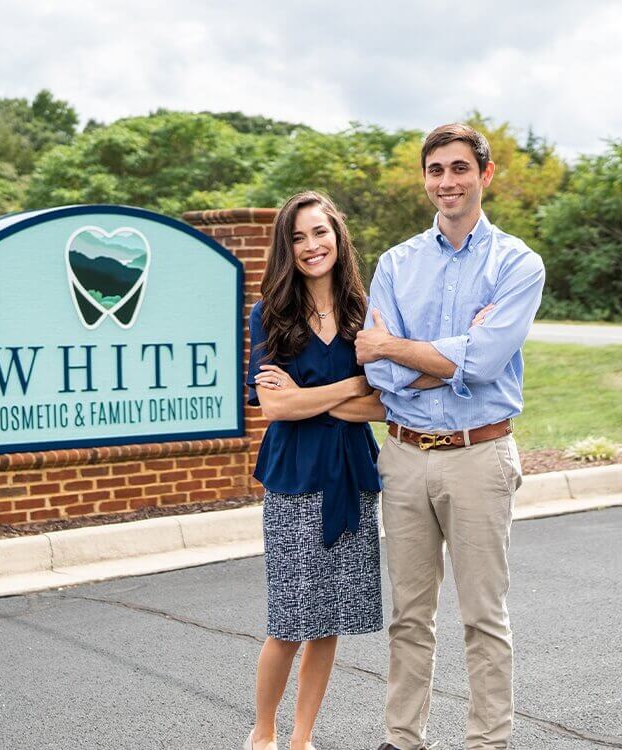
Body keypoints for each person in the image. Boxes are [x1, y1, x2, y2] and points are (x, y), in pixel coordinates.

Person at [358, 124, 546, 750]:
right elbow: (375, 366)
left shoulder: (517, 264)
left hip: (479, 455)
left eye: (460, 168)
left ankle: (487, 743)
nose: (447, 182)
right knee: (408, 617)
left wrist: (403, 349)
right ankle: (402, 739)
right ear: (425, 179)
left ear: (484, 175)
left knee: (482, 617)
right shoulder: (395, 264)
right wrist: (447, 355)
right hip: (405, 457)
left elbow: (487, 360)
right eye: (436, 170)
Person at [245, 190, 387, 750]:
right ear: (287, 247)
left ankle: (303, 738)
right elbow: (276, 407)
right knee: (287, 623)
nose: (311, 246)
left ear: (338, 236)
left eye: (320, 233)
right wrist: (354, 385)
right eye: (298, 237)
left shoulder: (366, 312)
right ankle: (264, 734)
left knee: (328, 622)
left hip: (351, 478)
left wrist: (312, 394)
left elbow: (383, 405)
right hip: (294, 482)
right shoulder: (270, 314)